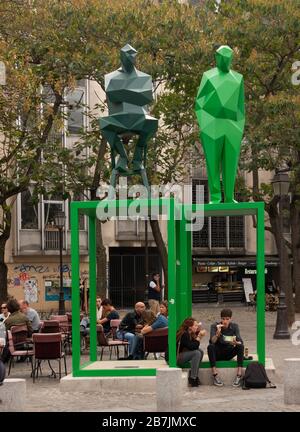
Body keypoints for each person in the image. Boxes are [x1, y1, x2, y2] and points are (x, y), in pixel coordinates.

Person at [207, 308, 244, 387]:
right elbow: (212, 341)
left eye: (227, 319)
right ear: (221, 319)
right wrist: (217, 334)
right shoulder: (214, 326)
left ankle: (239, 374)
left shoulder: (234, 326)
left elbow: (240, 340)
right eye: (223, 319)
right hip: (217, 354)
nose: (225, 321)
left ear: (230, 319)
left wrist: (235, 342)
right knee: (210, 347)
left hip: (229, 353)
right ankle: (215, 375)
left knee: (240, 346)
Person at [176, 317, 206, 387]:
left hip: (181, 354)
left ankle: (194, 375)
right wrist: (199, 337)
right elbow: (192, 347)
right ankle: (193, 379)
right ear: (189, 327)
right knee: (197, 353)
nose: (197, 326)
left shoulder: (190, 333)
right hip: (174, 357)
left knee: (200, 351)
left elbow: (194, 346)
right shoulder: (184, 334)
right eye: (195, 325)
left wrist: (197, 335)